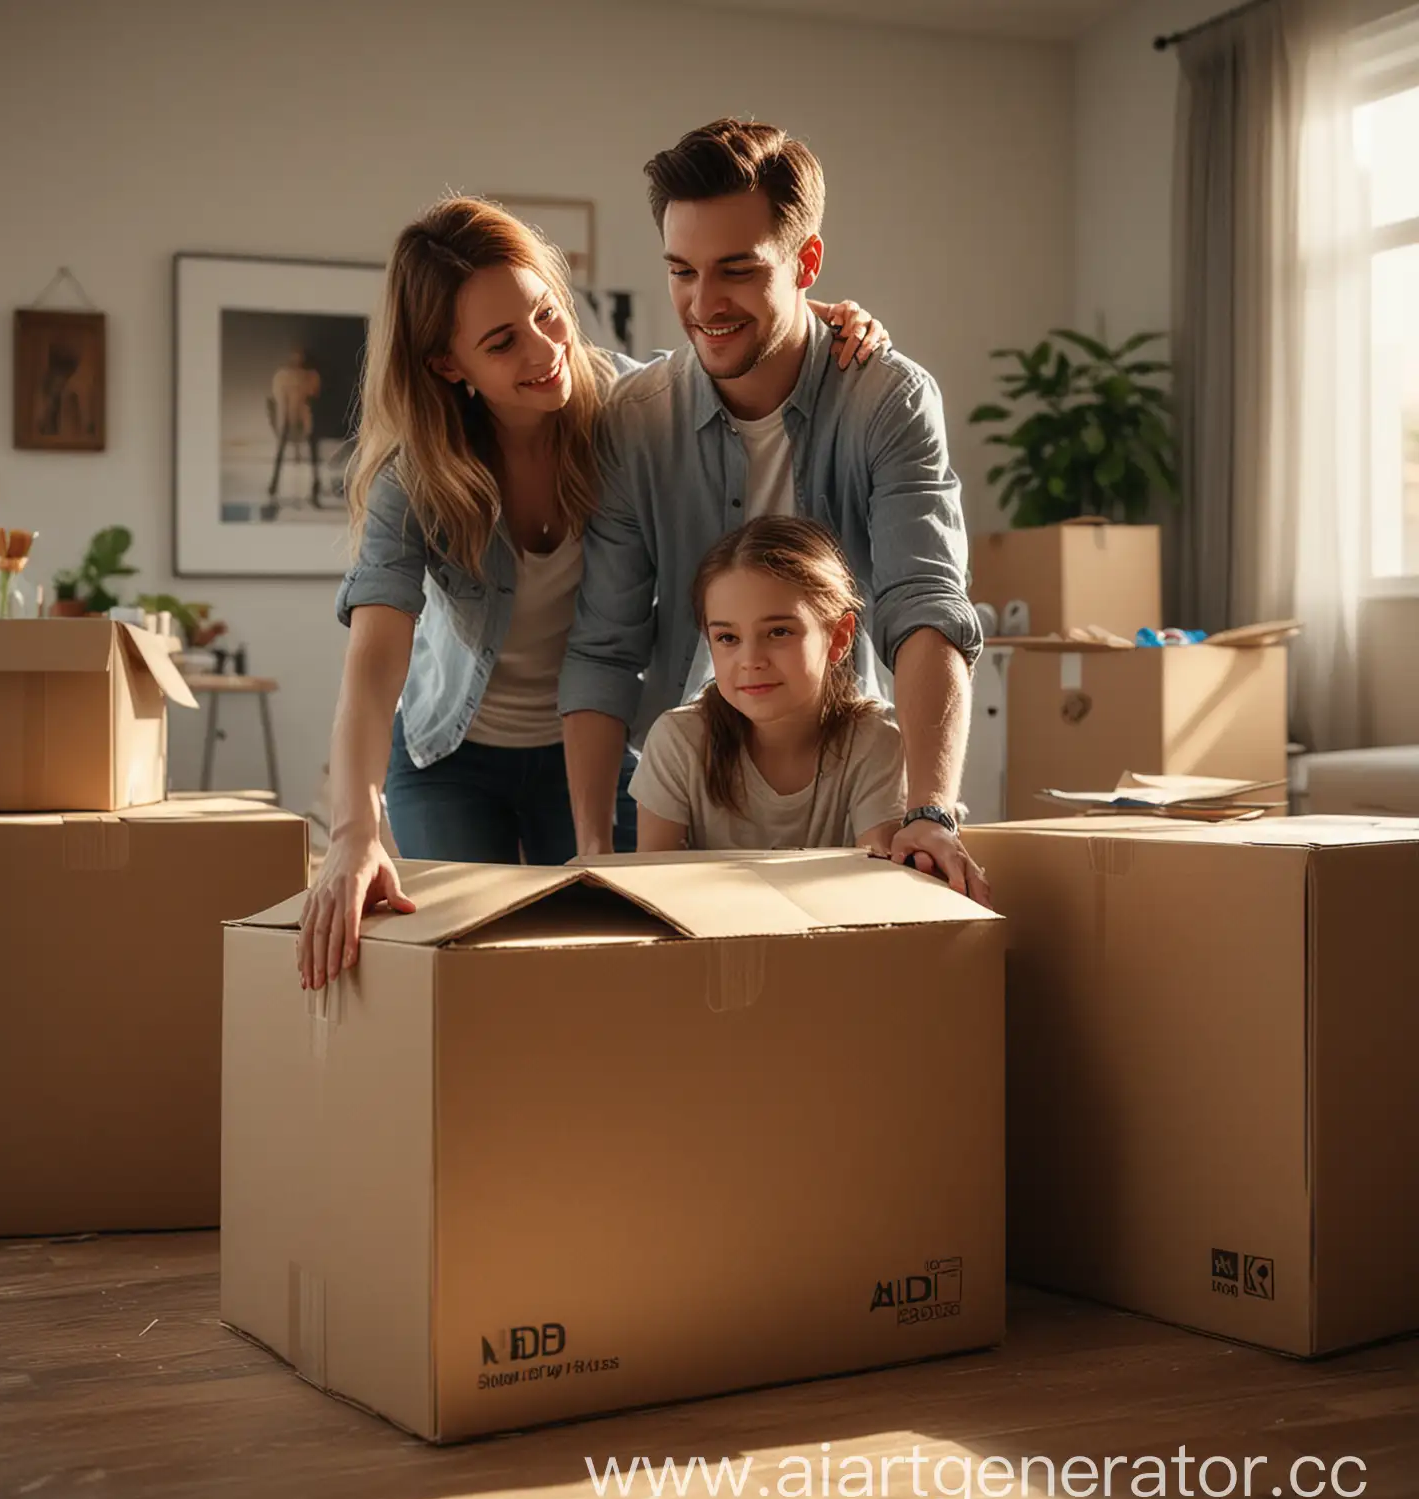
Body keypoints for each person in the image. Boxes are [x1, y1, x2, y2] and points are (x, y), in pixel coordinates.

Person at [296, 196, 889, 990]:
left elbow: (738, 359)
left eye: (547, 313)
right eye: (502, 342)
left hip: (597, 750)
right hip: (448, 756)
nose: (546, 351)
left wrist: (819, 323)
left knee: (600, 961)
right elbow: (373, 665)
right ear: (448, 364)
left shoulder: (630, 411)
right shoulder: (419, 480)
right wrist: (351, 830)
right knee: (471, 971)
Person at [558, 119, 991, 903]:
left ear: (807, 263)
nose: (703, 303)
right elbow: (604, 643)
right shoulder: (635, 418)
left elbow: (924, 605)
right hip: (669, 795)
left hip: (838, 788)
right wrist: (595, 850)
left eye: (737, 270)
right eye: (681, 271)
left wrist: (931, 812)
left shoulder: (886, 400)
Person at [633, 518, 907, 854]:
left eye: (779, 632)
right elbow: (651, 888)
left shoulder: (876, 741)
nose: (751, 660)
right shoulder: (677, 742)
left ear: (839, 636)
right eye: (727, 638)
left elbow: (881, 885)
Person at [268, 346, 323, 505]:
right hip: (288, 416)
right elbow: (278, 395)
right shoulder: (283, 376)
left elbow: (314, 393)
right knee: (282, 451)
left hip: (304, 416)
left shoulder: (310, 376)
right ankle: (274, 484)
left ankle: (315, 486)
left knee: (313, 452)